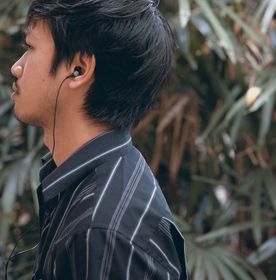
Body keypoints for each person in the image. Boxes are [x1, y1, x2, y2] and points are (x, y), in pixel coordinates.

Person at [10, 0, 188, 279]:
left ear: (78, 69)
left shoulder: (103, 231)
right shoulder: (94, 179)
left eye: (30, 48)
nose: (16, 67)